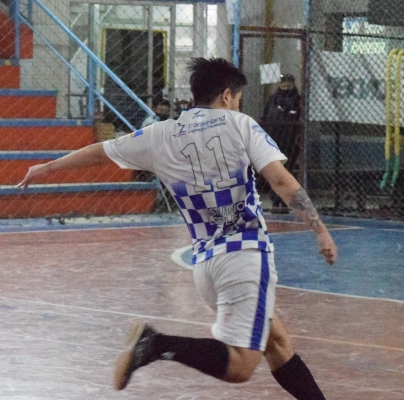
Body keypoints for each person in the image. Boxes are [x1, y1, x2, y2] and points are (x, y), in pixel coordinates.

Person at [18, 57, 337, 400]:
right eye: (238, 98)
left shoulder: (161, 134)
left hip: (206, 267)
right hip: (244, 256)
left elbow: (101, 152)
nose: (238, 105)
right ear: (226, 95)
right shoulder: (241, 125)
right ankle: (156, 344)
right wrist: (319, 229)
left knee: (277, 343)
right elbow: (281, 181)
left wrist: (48, 167)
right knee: (241, 365)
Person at [261, 74, 302, 212]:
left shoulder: (297, 100)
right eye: (283, 82)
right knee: (275, 171)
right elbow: (265, 117)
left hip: (290, 141)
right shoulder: (273, 99)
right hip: (274, 139)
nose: (285, 85)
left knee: (287, 171)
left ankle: (285, 200)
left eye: (288, 82)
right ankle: (275, 200)